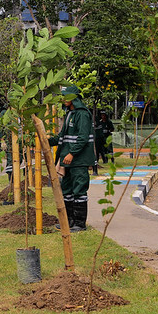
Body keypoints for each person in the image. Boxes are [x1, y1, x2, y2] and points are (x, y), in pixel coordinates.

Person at [51, 85, 94, 232]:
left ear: (73, 98)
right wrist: (44, 140)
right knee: (67, 191)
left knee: (79, 190)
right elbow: (62, 137)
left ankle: (80, 223)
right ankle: (69, 221)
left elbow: (82, 138)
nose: (63, 99)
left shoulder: (82, 114)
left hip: (78, 161)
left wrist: (72, 153)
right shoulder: (70, 113)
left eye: (66, 96)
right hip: (67, 161)